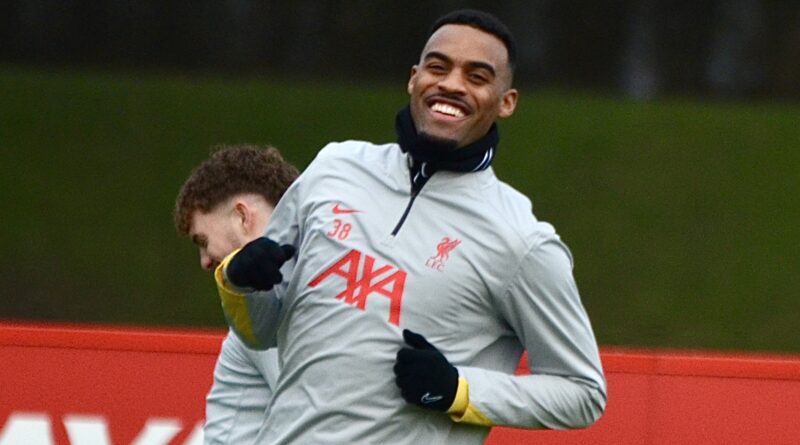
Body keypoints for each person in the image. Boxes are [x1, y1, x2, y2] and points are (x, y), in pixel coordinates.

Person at [216, 9, 607, 444]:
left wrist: (459, 389)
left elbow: (583, 392)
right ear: (413, 78)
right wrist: (241, 285)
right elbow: (261, 334)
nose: (452, 84)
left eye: (477, 77)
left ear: (506, 102)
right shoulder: (333, 167)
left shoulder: (522, 241)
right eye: (438, 67)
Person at [173, 144, 299, 444]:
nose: (205, 262)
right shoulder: (243, 344)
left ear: (242, 217)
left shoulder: (364, 272)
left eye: (203, 241)